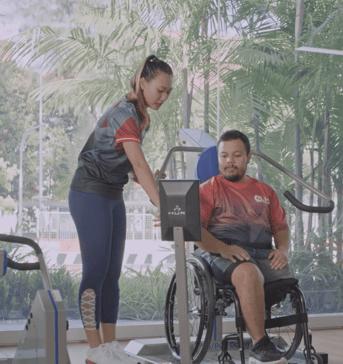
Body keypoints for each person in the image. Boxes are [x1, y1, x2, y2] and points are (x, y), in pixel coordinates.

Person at [68, 54, 172, 364]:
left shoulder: (142, 117)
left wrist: (147, 181)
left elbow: (127, 166)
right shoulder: (126, 114)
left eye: (168, 92)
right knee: (95, 271)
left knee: (112, 275)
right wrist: (162, 204)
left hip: (113, 194)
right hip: (88, 193)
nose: (164, 97)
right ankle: (94, 350)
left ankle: (110, 347)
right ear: (143, 83)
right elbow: (138, 162)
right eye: (160, 90)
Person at [197, 130, 293, 364]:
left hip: (261, 252)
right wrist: (222, 248)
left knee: (278, 273)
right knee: (249, 272)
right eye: (224, 156)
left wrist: (282, 250)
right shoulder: (207, 190)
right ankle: (260, 346)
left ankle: (261, 335)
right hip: (222, 253)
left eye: (237, 155)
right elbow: (196, 231)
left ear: (248, 157)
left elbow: (280, 226)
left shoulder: (265, 191)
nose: (229, 161)